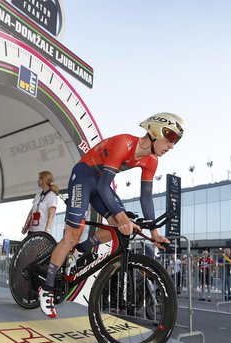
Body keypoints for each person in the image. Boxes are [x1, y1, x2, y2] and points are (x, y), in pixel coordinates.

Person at [37, 113, 184, 318]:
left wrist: (155, 233)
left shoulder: (151, 161)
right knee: (73, 235)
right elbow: (105, 186)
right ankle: (47, 287)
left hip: (99, 183)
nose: (171, 146)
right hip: (83, 177)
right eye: (169, 139)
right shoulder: (124, 143)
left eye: (175, 142)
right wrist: (121, 216)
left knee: (121, 225)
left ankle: (81, 250)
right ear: (154, 132)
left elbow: (146, 198)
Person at [22, 171, 59, 235]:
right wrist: (25, 226)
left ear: (43, 180)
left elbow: (51, 216)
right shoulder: (38, 195)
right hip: (31, 230)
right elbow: (31, 213)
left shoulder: (52, 196)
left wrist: (46, 233)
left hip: (42, 231)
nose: (38, 181)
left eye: (39, 179)